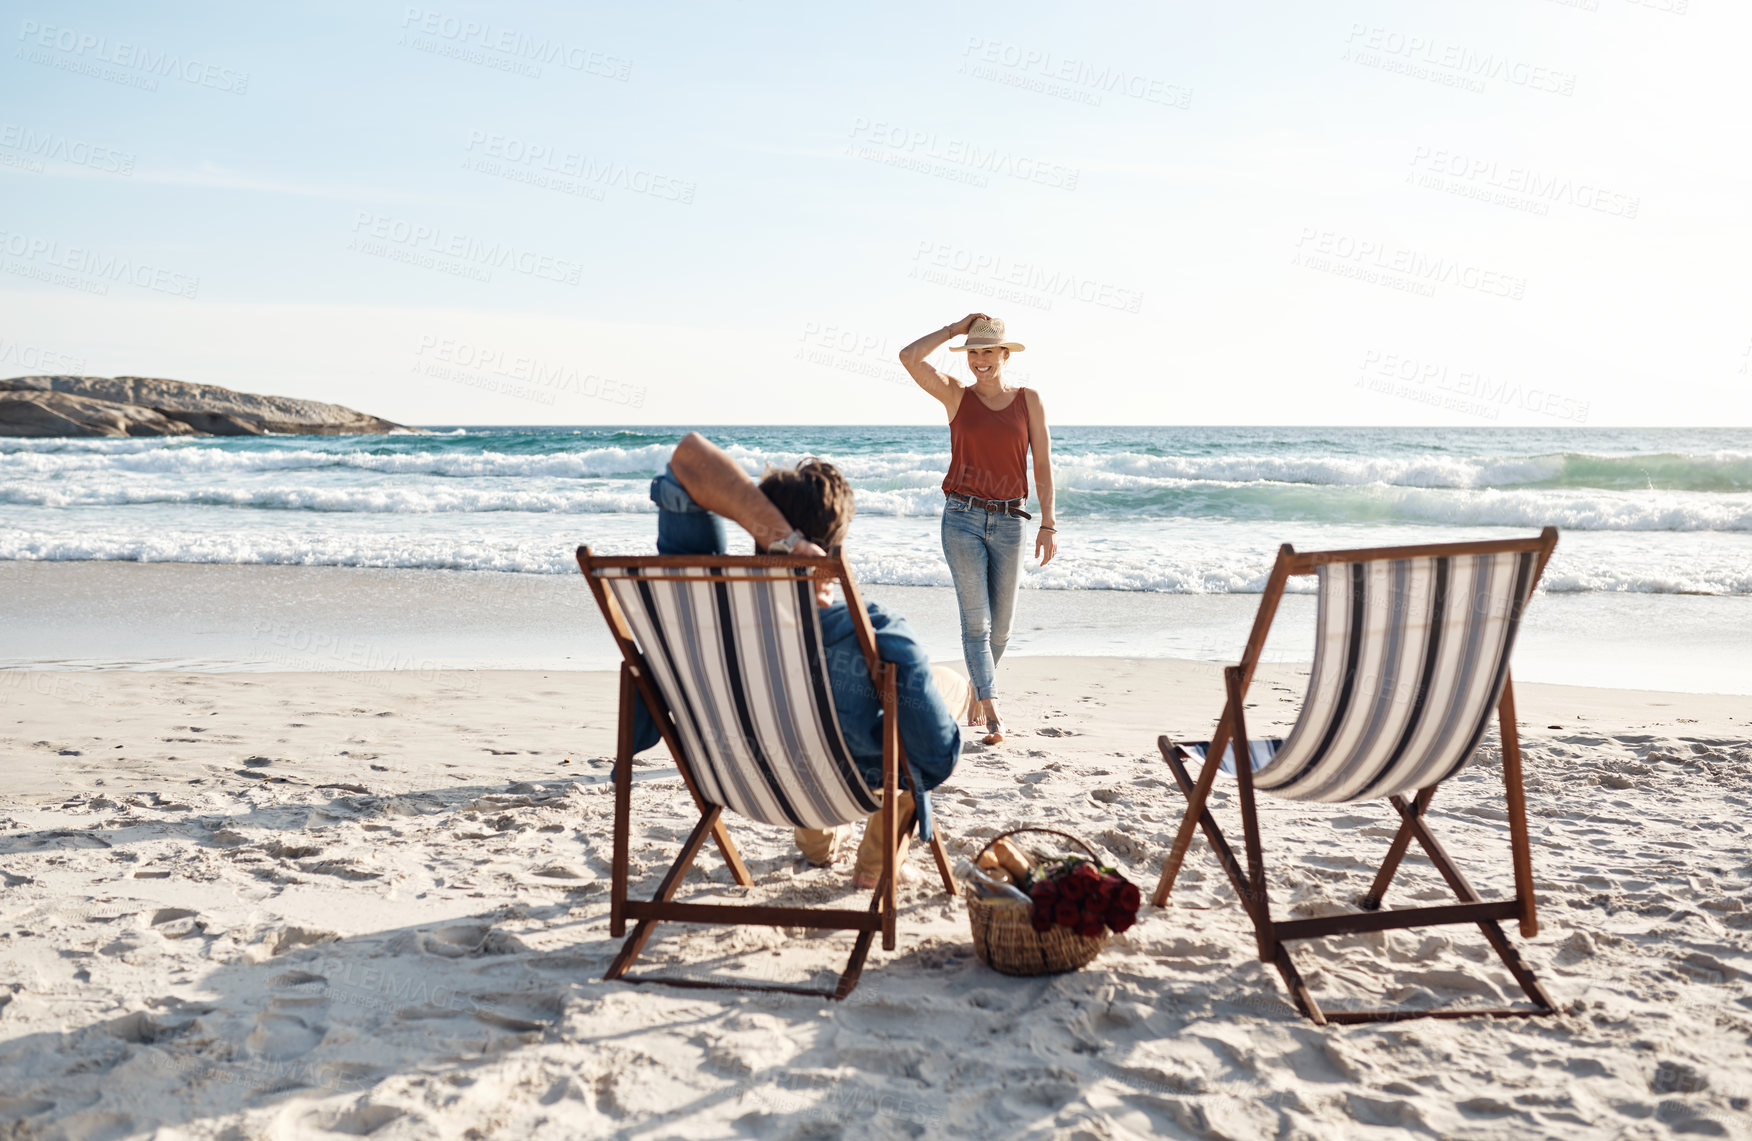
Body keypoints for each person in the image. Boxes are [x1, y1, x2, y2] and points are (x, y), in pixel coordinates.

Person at [629, 432, 970, 889]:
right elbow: (932, 757)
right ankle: (874, 867)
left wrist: (782, 540)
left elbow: (686, 462)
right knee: (944, 691)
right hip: (842, 784)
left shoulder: (697, 606)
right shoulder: (874, 631)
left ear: (755, 526)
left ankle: (818, 842)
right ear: (837, 544)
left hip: (738, 779)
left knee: (806, 716)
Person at [898, 314, 1056, 746]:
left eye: (988, 351)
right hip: (962, 518)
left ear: (1005, 354)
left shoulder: (1030, 400)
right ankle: (992, 709)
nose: (980, 360)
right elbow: (908, 357)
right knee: (977, 625)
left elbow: (1041, 465)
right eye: (973, 352)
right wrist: (954, 329)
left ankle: (975, 690)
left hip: (1012, 521)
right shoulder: (955, 396)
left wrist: (1049, 522)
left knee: (1001, 628)